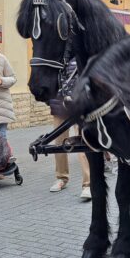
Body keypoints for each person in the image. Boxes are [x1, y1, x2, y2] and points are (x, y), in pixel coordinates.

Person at [49, 59, 91, 200]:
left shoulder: (81, 51)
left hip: (80, 103)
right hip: (59, 102)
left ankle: (88, 184)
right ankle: (62, 178)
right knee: (59, 142)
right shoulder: (55, 54)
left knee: (83, 143)